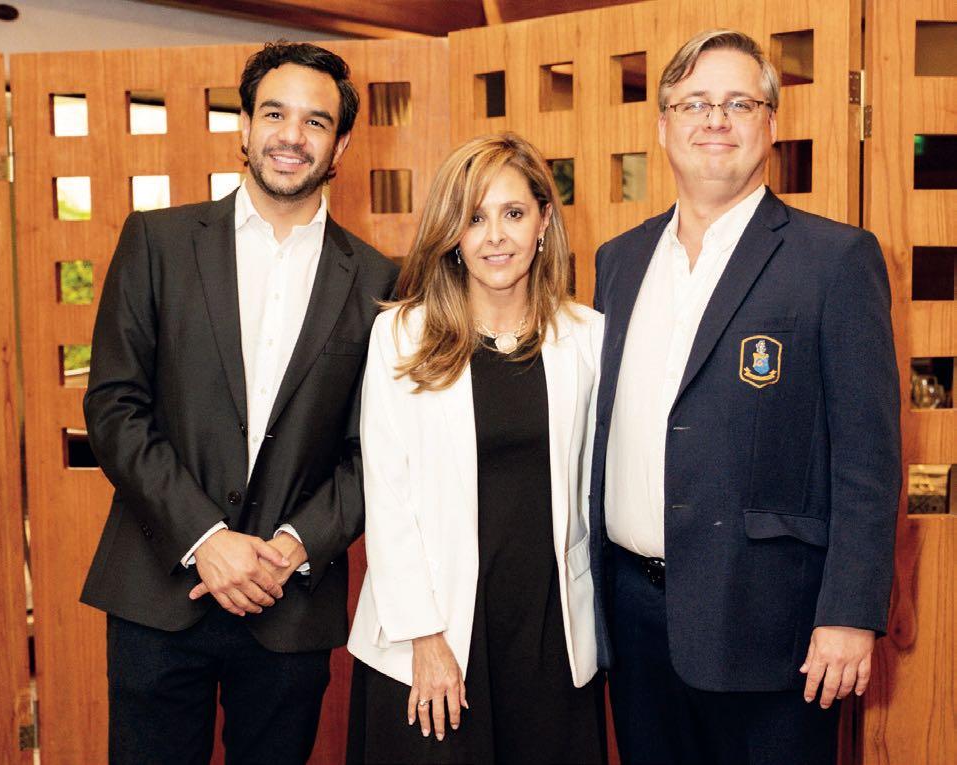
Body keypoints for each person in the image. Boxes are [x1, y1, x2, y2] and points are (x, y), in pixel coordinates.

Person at [589, 29, 900, 765]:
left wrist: (849, 614)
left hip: (774, 628)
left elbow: (867, 459)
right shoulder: (619, 260)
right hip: (633, 618)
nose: (714, 119)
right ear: (663, 125)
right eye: (694, 102)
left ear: (771, 123)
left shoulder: (835, 259)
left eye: (738, 103)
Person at [80, 41, 397, 763]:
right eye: (275, 114)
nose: (292, 136)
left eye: (316, 121)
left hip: (290, 602)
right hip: (159, 588)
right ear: (245, 126)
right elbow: (115, 407)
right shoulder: (157, 242)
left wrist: (293, 547)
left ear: (341, 143)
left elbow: (376, 449)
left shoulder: (379, 281)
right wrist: (206, 538)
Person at [346, 132, 606, 764]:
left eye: (513, 213)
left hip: (550, 631)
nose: (495, 237)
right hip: (431, 632)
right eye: (474, 218)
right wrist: (425, 638)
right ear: (452, 234)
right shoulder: (400, 336)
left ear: (544, 221)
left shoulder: (587, 337)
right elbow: (387, 497)